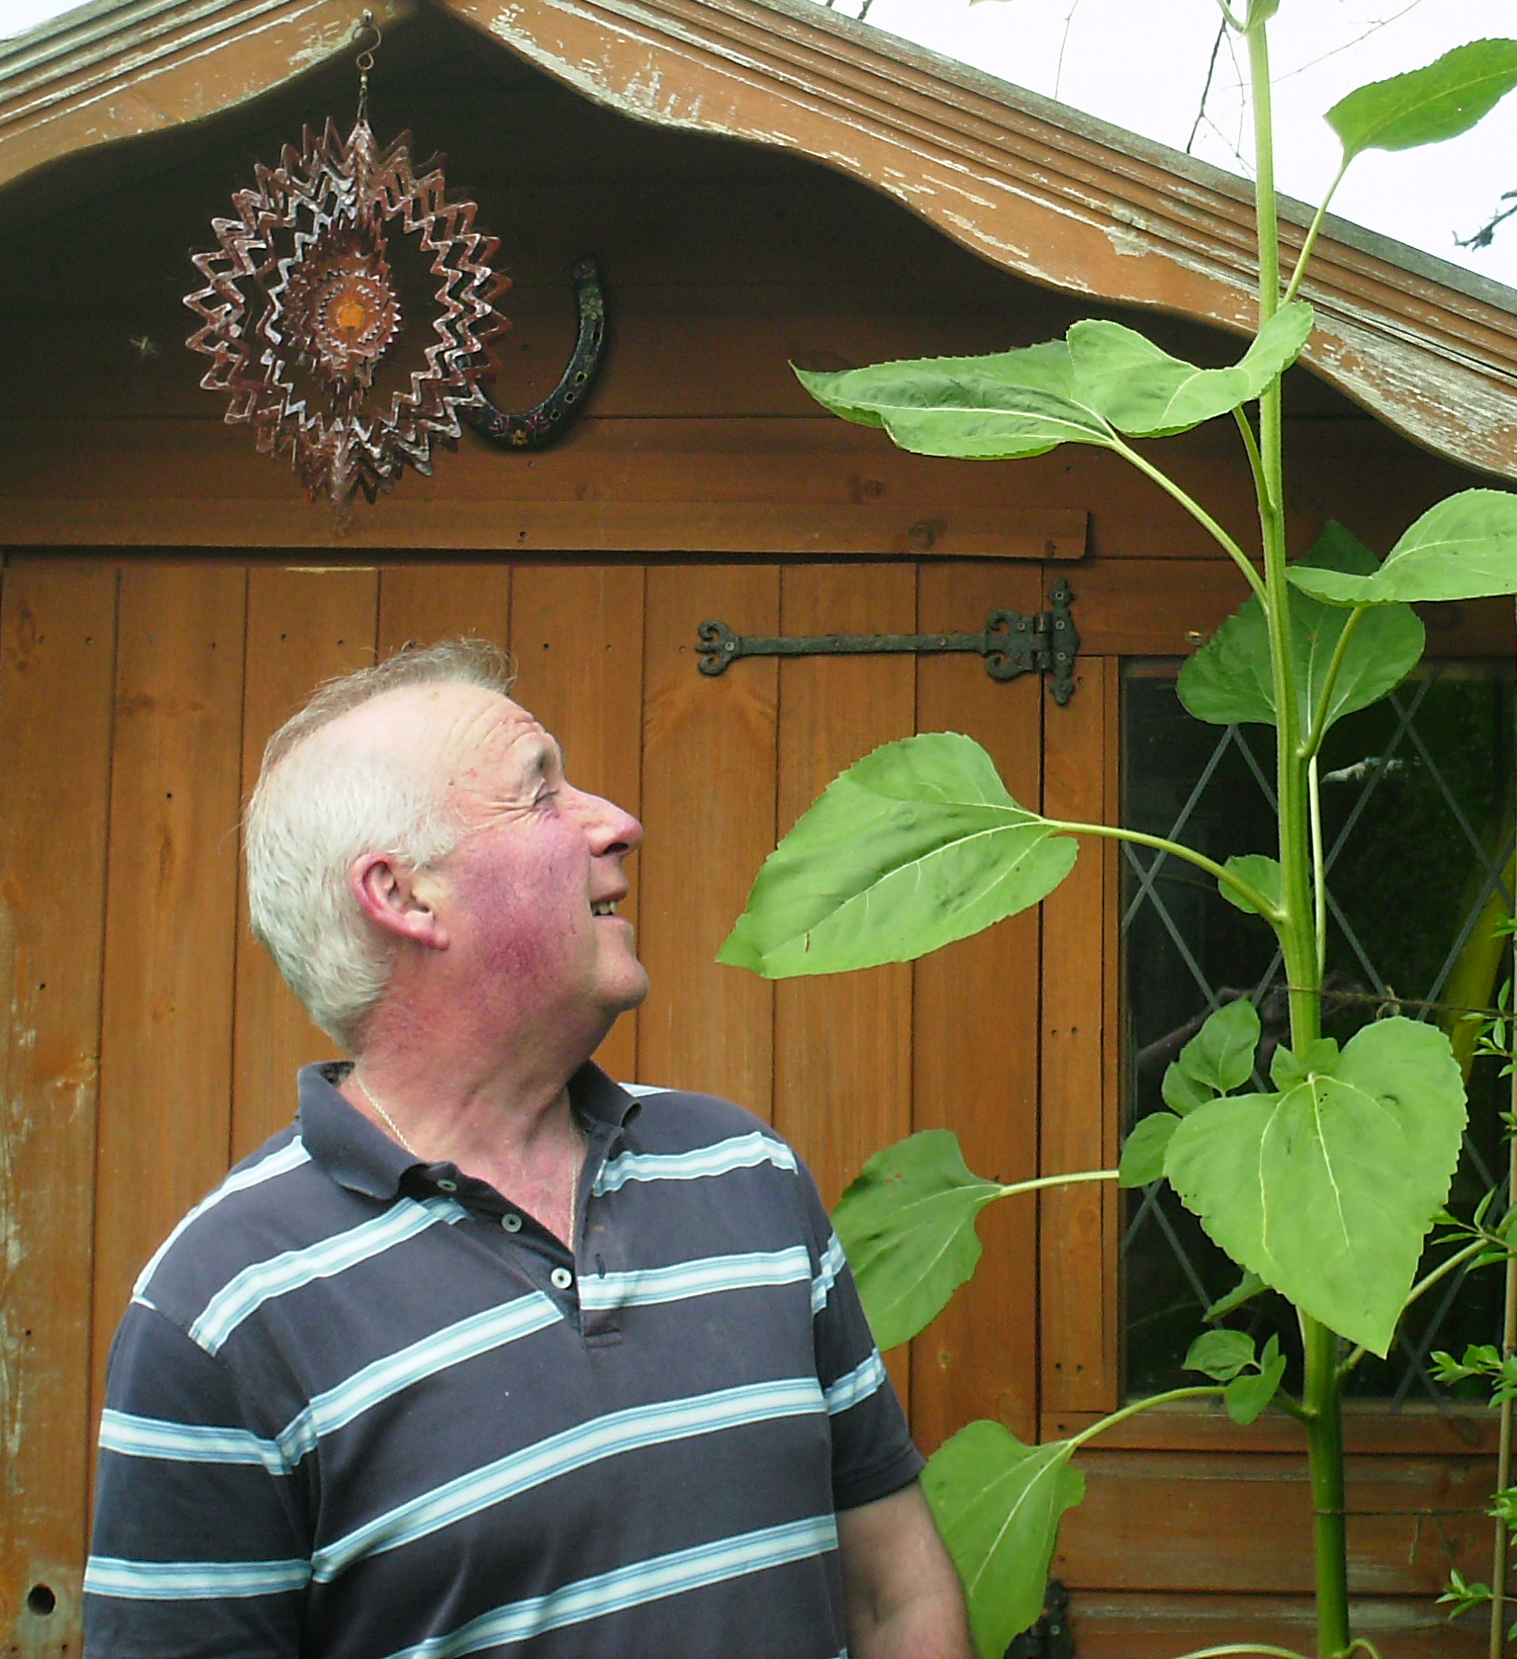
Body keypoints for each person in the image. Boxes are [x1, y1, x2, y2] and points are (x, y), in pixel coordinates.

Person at [83, 640, 971, 1659]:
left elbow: (893, 1596)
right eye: (542, 794)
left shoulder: (742, 1171)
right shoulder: (222, 1313)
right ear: (404, 896)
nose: (618, 824)